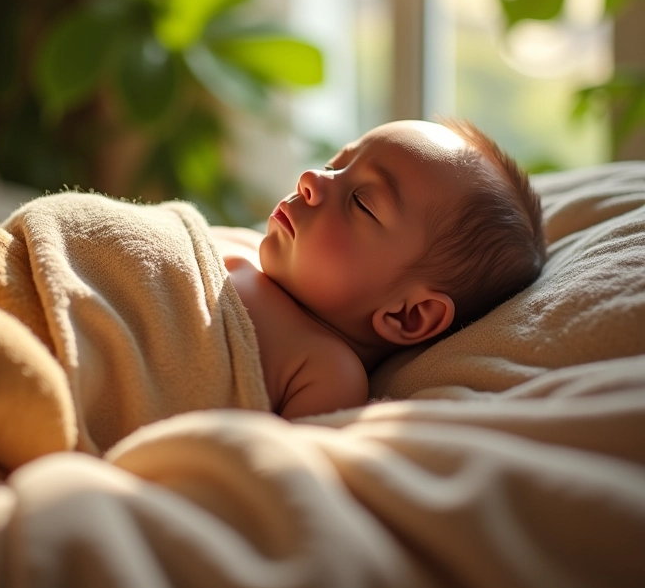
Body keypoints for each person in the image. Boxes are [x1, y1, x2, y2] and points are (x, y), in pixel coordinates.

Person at [210, 118, 546, 420]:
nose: (311, 178)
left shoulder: (328, 370)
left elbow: (277, 463)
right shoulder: (246, 245)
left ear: (407, 315)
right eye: (333, 165)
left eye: (361, 202)